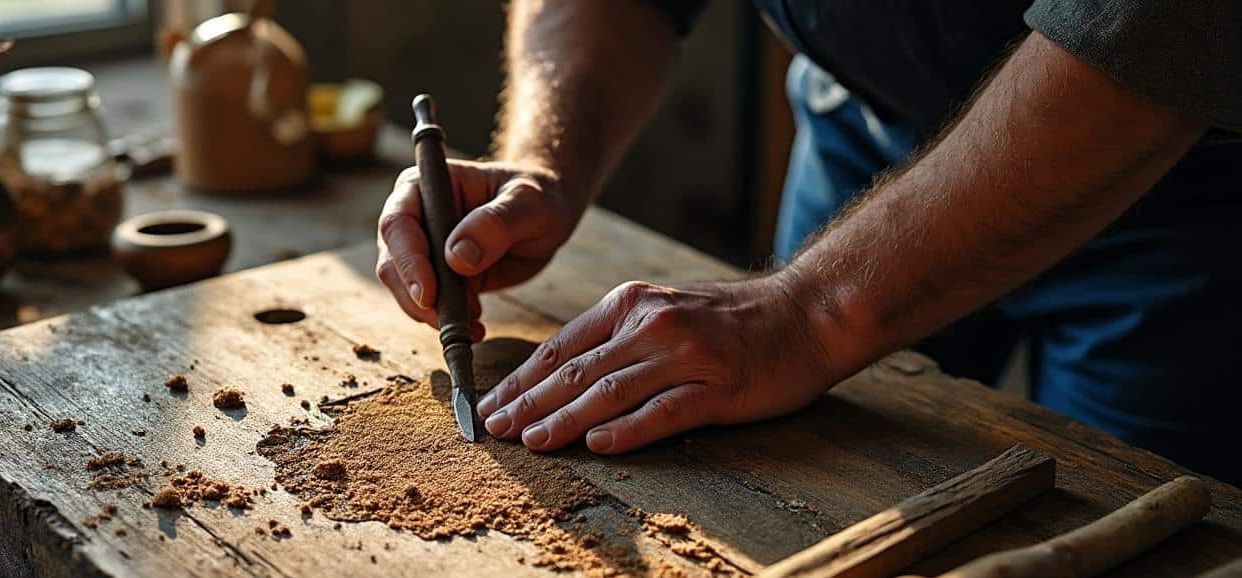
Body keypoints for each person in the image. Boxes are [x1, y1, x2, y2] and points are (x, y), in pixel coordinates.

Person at [377, 0, 1242, 485]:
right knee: (797, 491)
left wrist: (808, 313)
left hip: (1186, 182)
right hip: (861, 138)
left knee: (1123, 577)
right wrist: (543, 158)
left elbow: (1157, 26)